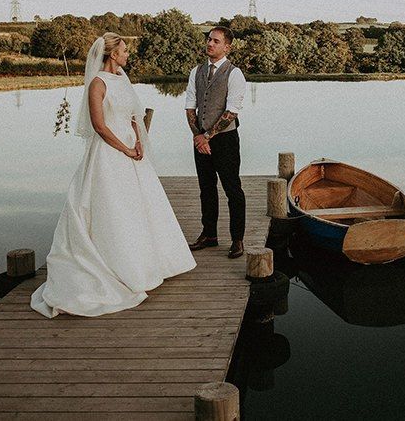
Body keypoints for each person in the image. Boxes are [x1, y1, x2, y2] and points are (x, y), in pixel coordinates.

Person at [31, 33, 196, 318]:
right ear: (112, 54)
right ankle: (115, 265)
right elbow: (99, 126)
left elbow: (133, 115)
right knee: (112, 207)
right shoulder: (98, 83)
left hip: (132, 148)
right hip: (109, 152)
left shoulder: (122, 78)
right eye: (124, 50)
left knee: (140, 205)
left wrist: (138, 142)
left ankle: (150, 264)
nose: (128, 54)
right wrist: (125, 149)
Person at [185, 26, 248, 259]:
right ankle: (209, 235)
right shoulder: (196, 71)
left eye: (216, 41)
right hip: (200, 139)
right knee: (206, 188)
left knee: (232, 189)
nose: (210, 44)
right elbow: (190, 106)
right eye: (209, 39)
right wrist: (197, 135)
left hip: (226, 140)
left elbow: (231, 112)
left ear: (227, 47)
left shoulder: (234, 74)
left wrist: (207, 136)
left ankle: (237, 239)